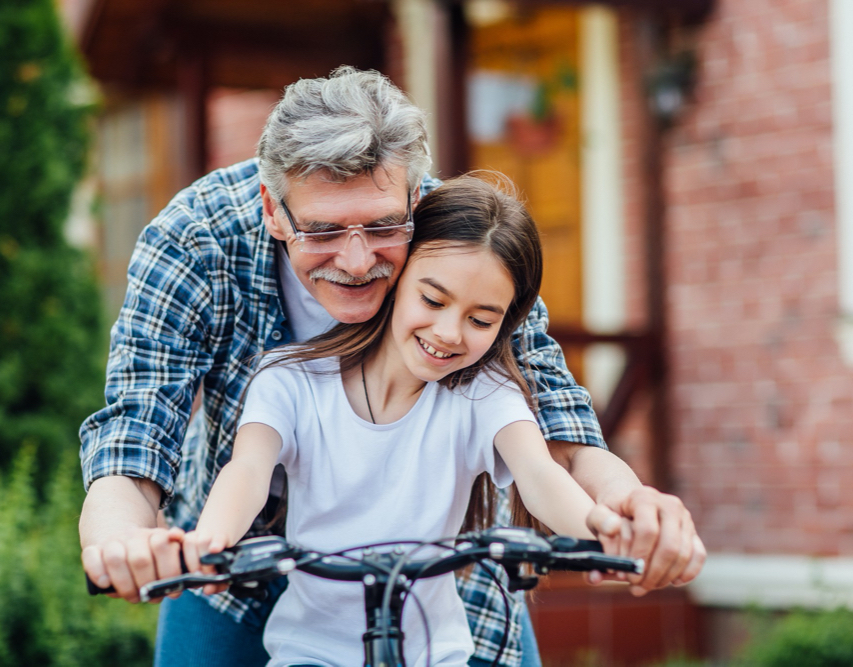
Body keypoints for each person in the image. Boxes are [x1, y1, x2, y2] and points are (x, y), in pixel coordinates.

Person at [79, 66, 705, 667]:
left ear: (414, 195)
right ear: (273, 207)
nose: (356, 261)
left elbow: (556, 437)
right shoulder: (197, 239)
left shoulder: (455, 240)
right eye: (322, 231)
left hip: (436, 579)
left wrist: (627, 513)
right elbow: (134, 436)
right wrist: (123, 543)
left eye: (382, 226)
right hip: (230, 559)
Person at [180, 174, 610, 667]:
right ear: (397, 276)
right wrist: (208, 542)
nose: (449, 333)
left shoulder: (485, 394)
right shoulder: (290, 380)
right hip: (308, 654)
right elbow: (247, 472)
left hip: (438, 655)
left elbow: (540, 476)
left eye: (481, 320)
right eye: (433, 300)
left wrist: (601, 531)